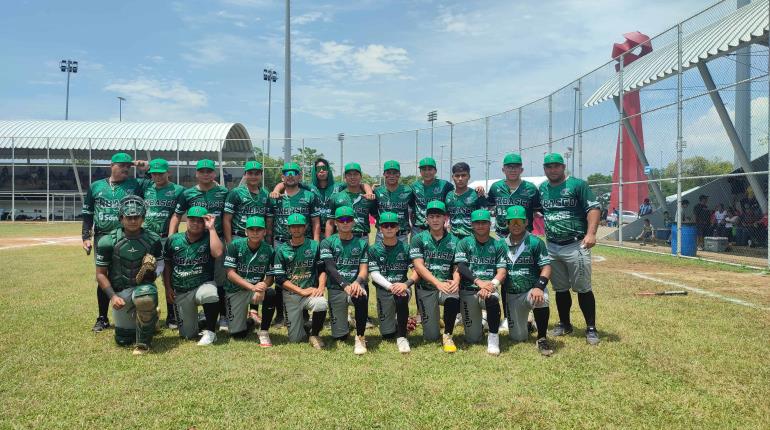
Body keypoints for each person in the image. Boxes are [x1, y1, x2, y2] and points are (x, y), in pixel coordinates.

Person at [82, 152, 150, 332]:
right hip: (102, 236)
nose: (126, 169)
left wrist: (146, 169)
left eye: (128, 166)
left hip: (127, 235)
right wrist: (85, 237)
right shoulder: (96, 186)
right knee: (103, 274)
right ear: (111, 166)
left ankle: (141, 312)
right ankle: (102, 317)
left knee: (132, 273)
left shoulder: (135, 184)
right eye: (122, 166)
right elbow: (88, 214)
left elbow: (154, 185)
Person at [539, 153, 601, 345]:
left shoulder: (577, 185)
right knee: (560, 288)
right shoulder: (543, 188)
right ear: (544, 169)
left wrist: (591, 233)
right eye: (549, 167)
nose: (553, 170)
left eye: (556, 166)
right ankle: (565, 323)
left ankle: (591, 328)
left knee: (583, 288)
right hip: (553, 245)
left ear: (563, 166)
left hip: (575, 243)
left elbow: (593, 208)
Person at [94, 196, 163, 355]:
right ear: (121, 218)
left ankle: (143, 344)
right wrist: (112, 297)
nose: (133, 221)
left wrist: (153, 272)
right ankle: (153, 318)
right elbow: (100, 274)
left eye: (137, 217)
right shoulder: (107, 241)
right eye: (129, 217)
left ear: (143, 218)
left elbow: (161, 264)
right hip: (121, 291)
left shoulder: (153, 239)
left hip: (142, 287)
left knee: (145, 297)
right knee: (123, 340)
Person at [169, 159, 230, 331]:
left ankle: (223, 316)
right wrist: (172, 238)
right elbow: (176, 215)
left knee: (220, 280)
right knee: (194, 276)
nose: (205, 174)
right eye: (202, 171)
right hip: (194, 242)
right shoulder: (188, 194)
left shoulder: (223, 192)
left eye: (209, 171)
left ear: (214, 174)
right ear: (196, 173)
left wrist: (229, 242)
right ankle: (189, 314)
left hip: (215, 239)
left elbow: (227, 218)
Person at [267, 162, 322, 327]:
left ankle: (303, 314)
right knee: (280, 278)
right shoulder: (275, 197)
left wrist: (316, 242)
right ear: (282, 177)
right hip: (280, 242)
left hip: (303, 243)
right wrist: (270, 244)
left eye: (294, 173)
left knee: (303, 276)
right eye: (287, 173)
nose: (290, 176)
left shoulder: (309, 196)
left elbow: (316, 222)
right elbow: (269, 223)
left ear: (299, 176)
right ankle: (279, 315)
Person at [269, 158, 374, 241]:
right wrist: (276, 190)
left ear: (329, 170)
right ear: (314, 171)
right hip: (315, 232)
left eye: (324, 168)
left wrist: (369, 192)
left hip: (334, 231)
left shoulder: (338, 186)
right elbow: (287, 182)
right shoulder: (309, 187)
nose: (322, 171)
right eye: (318, 169)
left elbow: (359, 184)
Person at [163, 206, 224, 346]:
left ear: (205, 223)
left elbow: (218, 253)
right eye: (192, 220)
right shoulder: (174, 239)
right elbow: (167, 265)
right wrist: (167, 288)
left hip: (202, 285)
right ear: (187, 220)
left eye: (200, 221)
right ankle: (202, 319)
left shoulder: (209, 237)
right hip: (182, 290)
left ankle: (210, 332)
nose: (196, 223)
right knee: (188, 335)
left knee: (210, 293)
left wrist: (212, 228)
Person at [409, 201, 461, 353]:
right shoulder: (418, 238)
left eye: (438, 216)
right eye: (431, 216)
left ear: (445, 218)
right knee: (430, 336)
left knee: (453, 296)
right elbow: (418, 266)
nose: (435, 220)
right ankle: (434, 318)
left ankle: (448, 335)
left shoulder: (454, 240)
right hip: (426, 288)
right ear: (426, 220)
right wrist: (437, 283)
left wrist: (456, 281)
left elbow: (457, 266)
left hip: (445, 285)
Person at [454, 209, 507, 356]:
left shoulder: (498, 244)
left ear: (490, 224)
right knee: (473, 338)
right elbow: (461, 267)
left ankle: (493, 337)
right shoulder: (464, 243)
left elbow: (502, 271)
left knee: (493, 298)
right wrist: (479, 282)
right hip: (468, 290)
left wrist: (491, 285)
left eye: (484, 222)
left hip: (489, 288)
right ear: (472, 225)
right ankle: (483, 321)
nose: (481, 226)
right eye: (477, 223)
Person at [502, 206, 554, 356]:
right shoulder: (500, 244)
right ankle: (528, 324)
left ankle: (542, 338)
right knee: (518, 337)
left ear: (526, 222)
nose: (516, 225)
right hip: (512, 295)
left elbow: (546, 267)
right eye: (513, 222)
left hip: (531, 292)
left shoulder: (535, 242)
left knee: (542, 297)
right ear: (507, 223)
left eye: (520, 221)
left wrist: (539, 286)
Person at [271, 213, 328, 349]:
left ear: (306, 227)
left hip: (310, 292)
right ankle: (306, 325)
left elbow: (322, 270)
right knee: (295, 339)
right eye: (293, 227)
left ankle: (315, 333)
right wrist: (301, 291)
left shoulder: (314, 246)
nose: (296, 229)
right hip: (291, 295)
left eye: (299, 226)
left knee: (321, 304)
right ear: (288, 228)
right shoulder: (281, 250)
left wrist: (321, 287)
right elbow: (279, 279)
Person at [320, 206, 370, 354]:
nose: (345, 223)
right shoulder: (327, 242)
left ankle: (360, 336)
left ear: (354, 222)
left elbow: (364, 269)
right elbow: (330, 268)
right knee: (339, 336)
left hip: (355, 286)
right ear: (336, 222)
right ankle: (346, 323)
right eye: (341, 220)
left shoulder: (362, 243)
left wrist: (357, 282)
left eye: (349, 219)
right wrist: (344, 285)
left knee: (360, 295)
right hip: (336, 288)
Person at [141, 158, 185, 329]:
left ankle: (172, 315)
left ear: (169, 173)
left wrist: (172, 237)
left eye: (161, 173)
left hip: (167, 237)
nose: (157, 176)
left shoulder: (178, 190)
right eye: (154, 173)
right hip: (147, 239)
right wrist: (143, 166)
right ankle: (149, 313)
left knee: (170, 277)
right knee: (146, 275)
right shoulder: (145, 187)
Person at [368, 212, 417, 353]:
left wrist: (406, 284)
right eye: (385, 225)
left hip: (402, 288)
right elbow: (374, 274)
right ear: (379, 228)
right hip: (384, 291)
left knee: (401, 297)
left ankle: (402, 336)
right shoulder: (373, 249)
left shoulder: (406, 248)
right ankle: (399, 320)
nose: (389, 228)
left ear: (397, 228)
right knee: (387, 334)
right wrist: (390, 286)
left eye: (392, 225)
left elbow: (416, 271)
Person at [223, 216, 276, 346]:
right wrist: (253, 287)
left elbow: (270, 276)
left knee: (270, 293)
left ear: (264, 232)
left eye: (259, 229)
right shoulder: (234, 245)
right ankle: (250, 322)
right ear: (246, 231)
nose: (255, 232)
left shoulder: (269, 250)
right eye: (251, 229)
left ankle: (264, 331)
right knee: (237, 334)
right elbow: (230, 273)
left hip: (255, 292)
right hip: (235, 291)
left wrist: (263, 285)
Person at [486, 153, 541, 237]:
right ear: (503, 169)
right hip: (501, 235)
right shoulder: (495, 187)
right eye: (509, 167)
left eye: (516, 167)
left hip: (524, 235)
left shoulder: (531, 188)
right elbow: (489, 206)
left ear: (521, 169)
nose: (513, 170)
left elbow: (538, 210)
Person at [326, 163, 378, 239]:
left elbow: (377, 217)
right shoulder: (336, 197)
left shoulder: (368, 197)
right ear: (345, 178)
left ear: (361, 177)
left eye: (356, 174)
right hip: (341, 238)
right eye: (349, 174)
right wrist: (328, 241)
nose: (352, 177)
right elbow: (330, 222)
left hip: (362, 238)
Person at [223, 160, 271, 243]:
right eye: (250, 173)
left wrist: (267, 241)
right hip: (239, 237)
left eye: (257, 174)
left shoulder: (265, 194)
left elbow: (268, 220)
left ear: (261, 175)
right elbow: (226, 219)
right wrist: (229, 242)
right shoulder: (236, 192)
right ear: (245, 175)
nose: (253, 176)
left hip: (259, 238)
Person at [411, 157, 455, 236]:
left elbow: (456, 197)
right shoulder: (414, 186)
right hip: (418, 229)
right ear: (420, 171)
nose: (427, 172)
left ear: (435, 171)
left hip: (438, 228)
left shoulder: (445, 185)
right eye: (424, 169)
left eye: (430, 169)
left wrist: (478, 190)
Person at [374, 160, 415, 244]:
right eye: (388, 172)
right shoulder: (377, 191)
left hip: (401, 235)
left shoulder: (408, 190)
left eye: (395, 172)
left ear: (399, 174)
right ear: (384, 174)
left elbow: (415, 208)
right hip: (382, 234)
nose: (391, 175)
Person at [445, 162, 488, 240]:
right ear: (453, 177)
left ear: (469, 176)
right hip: (453, 238)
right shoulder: (449, 195)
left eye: (463, 175)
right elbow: (446, 216)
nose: (460, 179)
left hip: (472, 238)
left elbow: (483, 216)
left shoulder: (476, 194)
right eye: (457, 176)